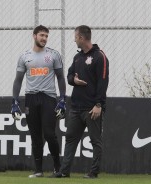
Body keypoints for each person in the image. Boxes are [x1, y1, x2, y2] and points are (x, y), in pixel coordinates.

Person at [53, 25, 109, 179]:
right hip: (76, 108)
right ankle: (64, 172)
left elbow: (103, 83)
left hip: (92, 108)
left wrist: (99, 105)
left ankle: (93, 172)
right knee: (70, 139)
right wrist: (74, 81)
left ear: (82, 38)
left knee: (95, 141)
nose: (74, 40)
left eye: (75, 37)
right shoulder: (77, 57)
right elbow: (69, 76)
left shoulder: (100, 57)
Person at [11, 25, 66, 178]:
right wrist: (14, 102)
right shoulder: (24, 56)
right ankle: (38, 170)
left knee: (49, 134)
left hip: (48, 98)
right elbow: (18, 81)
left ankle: (57, 168)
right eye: (42, 35)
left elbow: (61, 78)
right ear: (34, 36)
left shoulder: (53, 55)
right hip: (30, 98)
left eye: (46, 36)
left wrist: (62, 99)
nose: (44, 38)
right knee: (35, 135)